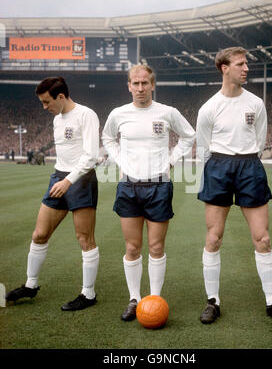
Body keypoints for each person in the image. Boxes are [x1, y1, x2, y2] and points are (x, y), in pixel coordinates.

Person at [196, 47, 272, 325]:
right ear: (224, 68)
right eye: (240, 64)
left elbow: (259, 140)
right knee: (214, 237)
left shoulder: (256, 103)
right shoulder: (208, 108)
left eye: (247, 63)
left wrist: (246, 159)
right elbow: (203, 146)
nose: (246, 68)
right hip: (218, 167)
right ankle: (212, 301)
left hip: (250, 166)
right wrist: (218, 167)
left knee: (262, 238)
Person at [102, 65, 195, 321]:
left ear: (153, 85)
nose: (140, 88)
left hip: (159, 186)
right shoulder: (119, 114)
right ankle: (134, 299)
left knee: (156, 246)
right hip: (129, 186)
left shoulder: (168, 112)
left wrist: (171, 160)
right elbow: (108, 138)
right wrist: (120, 160)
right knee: (132, 247)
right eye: (136, 83)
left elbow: (189, 135)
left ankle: (154, 298)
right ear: (129, 86)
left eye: (145, 83)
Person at [6, 76, 100, 311]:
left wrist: (68, 181)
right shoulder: (57, 119)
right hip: (59, 178)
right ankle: (30, 285)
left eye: (47, 102)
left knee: (84, 240)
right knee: (39, 234)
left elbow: (90, 156)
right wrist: (62, 179)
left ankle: (88, 294)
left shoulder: (86, 115)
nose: (44, 107)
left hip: (81, 180)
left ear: (61, 96)